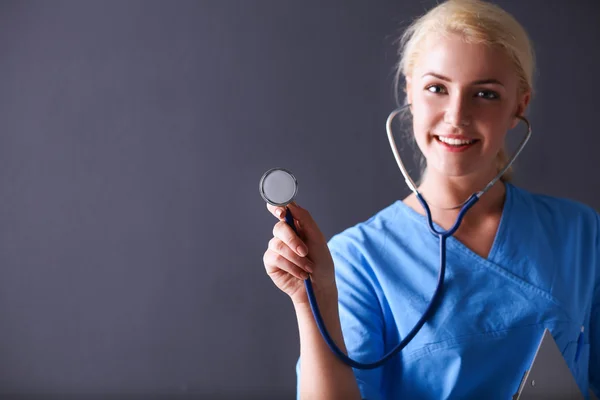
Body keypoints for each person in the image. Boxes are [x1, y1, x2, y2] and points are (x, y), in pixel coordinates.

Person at [262, 0, 599, 398]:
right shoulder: (357, 258)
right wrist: (311, 300)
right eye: (437, 88)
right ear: (410, 91)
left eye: (486, 94)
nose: (456, 115)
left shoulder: (580, 232)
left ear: (518, 106)